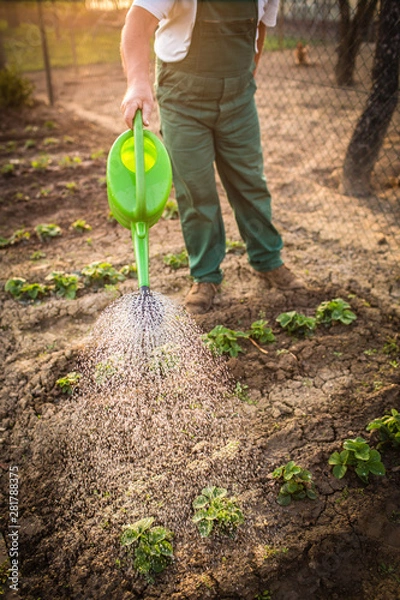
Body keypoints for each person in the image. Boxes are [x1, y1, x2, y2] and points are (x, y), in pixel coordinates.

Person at [120, 0, 306, 314]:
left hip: (239, 97)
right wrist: (137, 83)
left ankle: (267, 260)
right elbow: (137, 25)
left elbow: (258, 28)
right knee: (196, 189)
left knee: (250, 182)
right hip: (183, 96)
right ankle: (205, 276)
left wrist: (244, 77)